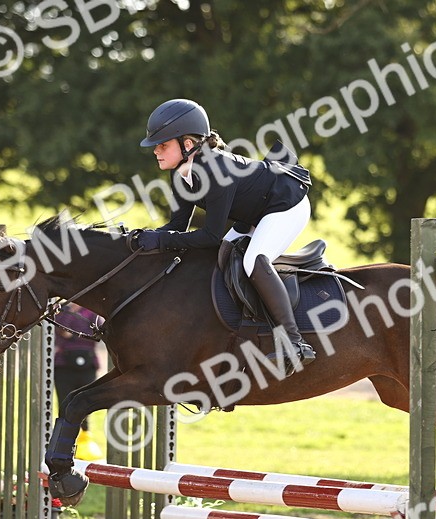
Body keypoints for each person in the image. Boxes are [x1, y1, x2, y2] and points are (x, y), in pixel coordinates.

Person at [131, 98, 316, 372]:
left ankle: (295, 342)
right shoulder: (182, 173)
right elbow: (177, 228)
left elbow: (209, 236)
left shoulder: (216, 171)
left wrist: (161, 240)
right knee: (217, 261)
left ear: (188, 144)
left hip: (286, 204)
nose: (156, 151)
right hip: (253, 212)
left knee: (253, 260)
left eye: (163, 145)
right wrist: (142, 240)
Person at [52, 303, 105, 460]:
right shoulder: (62, 310)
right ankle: (63, 444)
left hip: (88, 365)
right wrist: (71, 312)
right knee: (64, 404)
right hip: (64, 366)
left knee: (86, 404)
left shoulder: (92, 312)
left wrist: (73, 335)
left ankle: (84, 441)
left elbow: (98, 333)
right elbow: (61, 330)